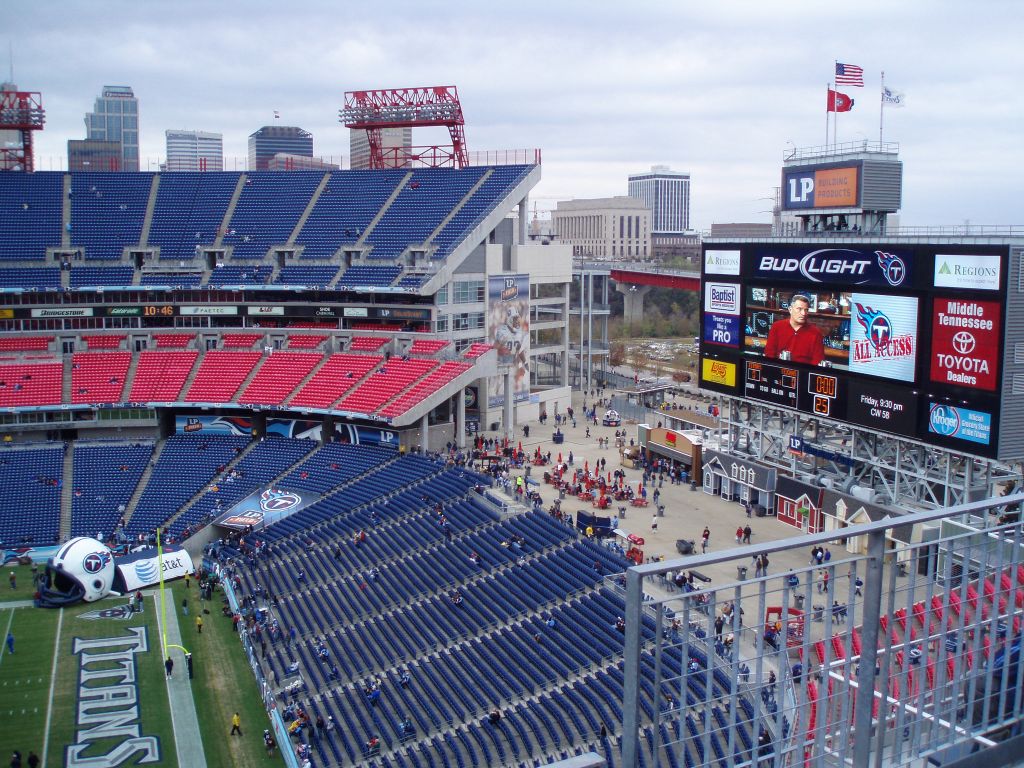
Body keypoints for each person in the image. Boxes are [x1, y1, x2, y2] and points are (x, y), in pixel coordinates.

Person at [764, 293, 825, 366]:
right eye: (799, 309)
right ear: (790, 309)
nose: (803, 313)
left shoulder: (815, 333)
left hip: (803, 373)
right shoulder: (777, 327)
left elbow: (817, 362)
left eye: (806, 310)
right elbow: (769, 354)